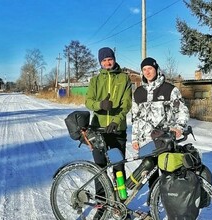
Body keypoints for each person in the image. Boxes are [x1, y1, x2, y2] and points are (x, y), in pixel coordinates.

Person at [85, 47, 132, 219]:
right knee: (100, 169)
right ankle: (102, 205)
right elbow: (88, 101)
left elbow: (127, 103)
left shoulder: (124, 78)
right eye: (103, 60)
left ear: (114, 59)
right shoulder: (95, 80)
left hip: (117, 129)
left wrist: (116, 121)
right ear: (100, 62)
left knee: (118, 168)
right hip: (98, 130)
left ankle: (122, 204)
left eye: (109, 59)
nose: (107, 62)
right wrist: (100, 105)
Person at [132, 57, 190, 188]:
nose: (147, 72)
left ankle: (168, 204)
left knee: (167, 174)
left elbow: (182, 111)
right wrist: (135, 139)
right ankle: (154, 205)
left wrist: (179, 127)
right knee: (151, 176)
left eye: (150, 68)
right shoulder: (138, 93)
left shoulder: (169, 89)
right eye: (144, 69)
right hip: (146, 142)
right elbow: (135, 117)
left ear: (156, 69)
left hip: (165, 140)